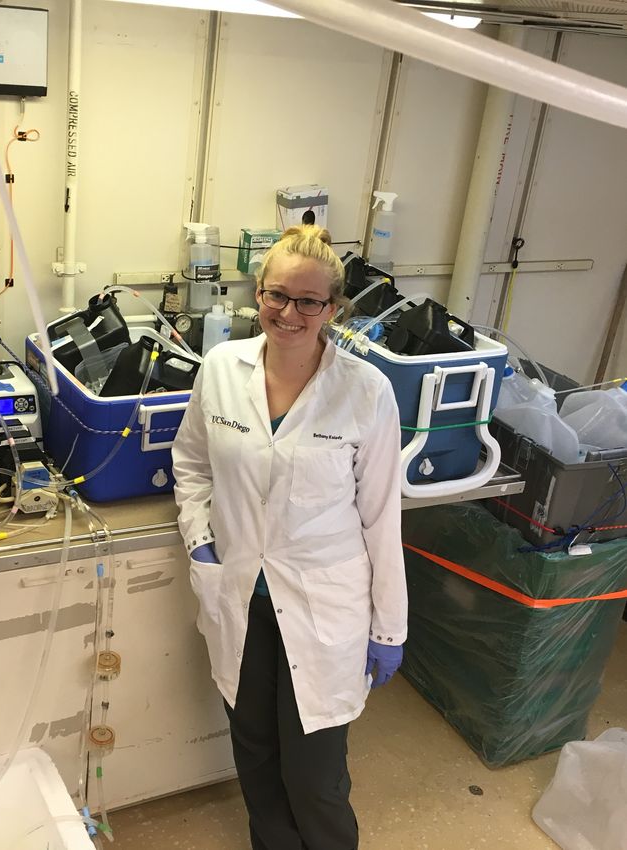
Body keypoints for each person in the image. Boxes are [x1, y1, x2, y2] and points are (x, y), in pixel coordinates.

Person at [171, 224, 407, 850]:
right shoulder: (221, 368)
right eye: (278, 295)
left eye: (308, 301)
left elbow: (382, 518)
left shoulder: (365, 391)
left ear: (333, 309)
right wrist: (199, 538)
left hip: (322, 606)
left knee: (314, 777)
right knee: (255, 757)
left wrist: (390, 629)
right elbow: (191, 461)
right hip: (240, 595)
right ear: (258, 294)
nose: (289, 313)